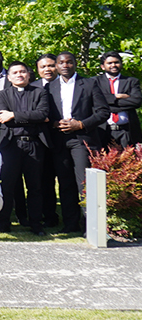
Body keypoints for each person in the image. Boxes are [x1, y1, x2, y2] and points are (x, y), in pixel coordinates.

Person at [46, 52, 109, 233]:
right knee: (65, 184)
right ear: (56, 66)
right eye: (61, 63)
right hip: (59, 140)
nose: (65, 65)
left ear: (75, 64)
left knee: (84, 183)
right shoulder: (49, 87)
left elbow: (103, 112)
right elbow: (45, 113)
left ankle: (89, 225)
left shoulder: (90, 84)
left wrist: (80, 124)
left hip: (82, 139)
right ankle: (70, 224)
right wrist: (54, 123)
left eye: (69, 62)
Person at [0, 61, 51, 235]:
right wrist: (30, 117)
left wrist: (14, 115)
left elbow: (42, 114)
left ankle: (35, 223)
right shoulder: (2, 95)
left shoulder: (40, 93)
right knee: (7, 186)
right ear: (9, 77)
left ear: (28, 75)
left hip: (34, 144)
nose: (19, 75)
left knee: (35, 186)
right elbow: (3, 118)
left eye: (23, 72)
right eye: (15, 72)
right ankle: (3, 222)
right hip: (11, 145)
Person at [98, 51, 141, 148]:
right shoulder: (94, 82)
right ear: (102, 66)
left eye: (116, 62)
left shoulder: (131, 81)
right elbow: (95, 102)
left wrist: (107, 104)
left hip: (126, 131)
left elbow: (137, 102)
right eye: (109, 63)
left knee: (128, 161)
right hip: (103, 131)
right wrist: (116, 96)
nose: (113, 65)